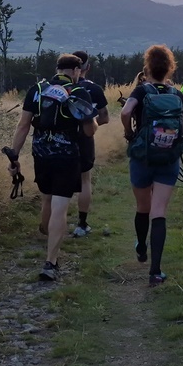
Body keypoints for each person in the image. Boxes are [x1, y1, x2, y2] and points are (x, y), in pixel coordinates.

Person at [7, 54, 98, 281]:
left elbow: (23, 125)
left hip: (41, 153)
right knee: (60, 206)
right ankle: (50, 262)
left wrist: (15, 156)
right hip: (66, 155)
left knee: (46, 198)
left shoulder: (37, 89)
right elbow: (89, 131)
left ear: (57, 69)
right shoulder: (78, 92)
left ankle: (48, 235)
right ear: (76, 70)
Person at [120, 45, 183, 286]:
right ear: (170, 68)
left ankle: (141, 247)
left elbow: (126, 113)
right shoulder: (177, 94)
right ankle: (155, 272)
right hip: (168, 158)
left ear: (147, 67)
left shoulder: (141, 91)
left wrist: (129, 134)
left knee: (142, 207)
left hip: (143, 156)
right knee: (159, 211)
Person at [71, 50, 111, 237]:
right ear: (88, 67)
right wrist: (91, 126)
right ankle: (82, 223)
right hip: (85, 140)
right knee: (85, 180)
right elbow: (104, 117)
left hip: (57, 141)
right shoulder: (94, 89)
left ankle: (53, 222)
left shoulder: (58, 86)